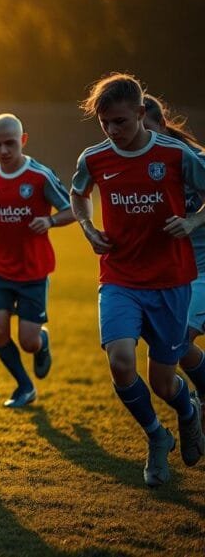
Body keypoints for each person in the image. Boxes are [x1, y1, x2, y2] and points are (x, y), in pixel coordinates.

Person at [70, 73, 205, 487]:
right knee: (121, 361)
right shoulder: (94, 158)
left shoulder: (175, 155)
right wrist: (89, 230)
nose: (113, 131)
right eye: (105, 123)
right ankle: (155, 437)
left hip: (170, 280)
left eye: (121, 122)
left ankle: (187, 413)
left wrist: (193, 220)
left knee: (165, 381)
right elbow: (78, 194)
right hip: (120, 277)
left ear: (142, 114)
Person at [0, 114, 75, 408]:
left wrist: (50, 221)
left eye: (10, 143)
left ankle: (41, 343)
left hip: (33, 268)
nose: (4, 150)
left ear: (23, 141)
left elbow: (72, 210)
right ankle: (24, 386)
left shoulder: (40, 176)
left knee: (28, 341)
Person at [142, 95, 205, 418]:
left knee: (178, 340)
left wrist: (193, 220)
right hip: (175, 272)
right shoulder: (142, 165)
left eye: (149, 130)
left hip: (202, 270)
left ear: (162, 125)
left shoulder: (192, 159)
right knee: (173, 345)